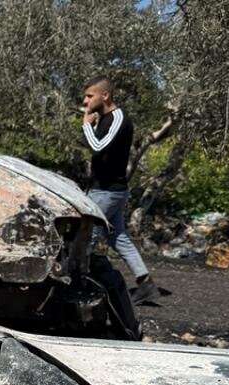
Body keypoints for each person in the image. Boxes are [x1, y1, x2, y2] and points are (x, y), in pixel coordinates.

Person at [81, 76, 159, 305]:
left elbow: (98, 147)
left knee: (86, 238)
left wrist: (86, 125)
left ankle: (78, 286)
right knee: (118, 238)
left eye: (90, 96)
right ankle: (146, 284)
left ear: (105, 95)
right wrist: (92, 125)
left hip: (107, 192)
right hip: (107, 190)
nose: (85, 101)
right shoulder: (105, 119)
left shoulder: (118, 118)